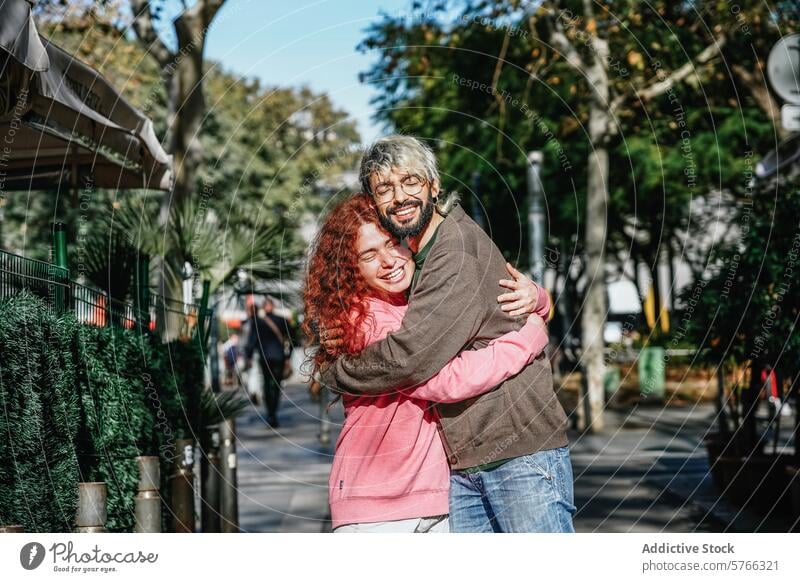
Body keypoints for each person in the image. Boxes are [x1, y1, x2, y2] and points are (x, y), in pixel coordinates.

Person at [320, 135, 575, 533]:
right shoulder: (418, 260)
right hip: (464, 464)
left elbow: (413, 361)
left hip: (516, 455)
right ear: (373, 201)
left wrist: (339, 372)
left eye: (411, 182)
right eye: (385, 188)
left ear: (434, 186)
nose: (400, 196)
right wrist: (539, 301)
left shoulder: (449, 252)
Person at [242, 297, 292, 427]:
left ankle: (270, 413)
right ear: (273, 306)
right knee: (276, 385)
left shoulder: (257, 322)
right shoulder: (282, 320)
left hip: (265, 357)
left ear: (264, 307)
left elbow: (252, 341)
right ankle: (273, 412)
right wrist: (288, 356)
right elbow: (292, 339)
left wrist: (248, 357)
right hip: (279, 357)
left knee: (267, 384)